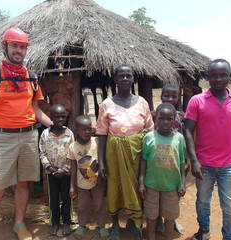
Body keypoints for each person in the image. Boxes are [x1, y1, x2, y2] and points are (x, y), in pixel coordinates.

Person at [0, 27, 52, 240]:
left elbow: (35, 109)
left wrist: (54, 127)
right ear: (4, 46)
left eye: (22, 47)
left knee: (24, 183)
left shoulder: (31, 77)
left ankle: (18, 224)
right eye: (14, 45)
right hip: (1, 139)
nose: (18, 50)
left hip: (28, 137)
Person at [184, 59, 231, 240]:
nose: (218, 79)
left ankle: (229, 237)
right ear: (208, 77)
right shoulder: (197, 101)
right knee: (202, 201)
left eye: (223, 75)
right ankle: (204, 230)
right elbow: (187, 130)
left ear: (229, 76)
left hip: (228, 165)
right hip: (203, 163)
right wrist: (193, 160)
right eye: (214, 76)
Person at [96, 64, 154, 240]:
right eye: (121, 76)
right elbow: (101, 134)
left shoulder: (142, 102)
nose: (125, 79)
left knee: (137, 187)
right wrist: (101, 161)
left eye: (128, 76)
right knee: (114, 187)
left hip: (138, 154)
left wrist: (150, 157)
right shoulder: (106, 104)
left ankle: (134, 223)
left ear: (133, 79)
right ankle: (114, 224)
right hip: (113, 154)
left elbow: (150, 131)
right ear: (115, 79)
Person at [140, 103, 186, 240]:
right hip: (151, 185)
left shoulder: (179, 138)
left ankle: (168, 237)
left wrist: (182, 182)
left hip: (171, 186)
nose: (165, 122)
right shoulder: (149, 137)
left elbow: (182, 162)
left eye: (169, 119)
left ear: (174, 120)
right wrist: (141, 182)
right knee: (151, 215)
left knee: (170, 216)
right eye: (161, 118)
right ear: (155, 119)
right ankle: (151, 236)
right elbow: (143, 161)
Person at [154, 84, 189, 234]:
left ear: (178, 97)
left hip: (175, 160)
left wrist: (187, 160)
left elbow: (186, 138)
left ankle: (172, 220)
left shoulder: (182, 116)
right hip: (159, 160)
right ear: (160, 96)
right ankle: (159, 222)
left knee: (174, 192)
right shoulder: (155, 114)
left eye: (174, 96)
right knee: (158, 191)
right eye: (166, 95)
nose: (170, 99)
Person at [69, 115, 109, 240]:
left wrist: (104, 178)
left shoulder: (97, 142)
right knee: (82, 207)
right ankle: (82, 225)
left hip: (98, 183)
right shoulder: (73, 147)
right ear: (77, 130)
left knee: (99, 205)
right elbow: (74, 167)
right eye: (83, 129)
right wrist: (72, 186)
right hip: (82, 185)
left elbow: (103, 160)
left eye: (89, 129)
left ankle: (102, 227)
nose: (87, 132)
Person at [39, 104, 74, 237]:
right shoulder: (45, 134)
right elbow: (42, 153)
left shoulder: (69, 133)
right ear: (51, 117)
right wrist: (51, 168)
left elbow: (72, 154)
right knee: (53, 199)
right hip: (51, 174)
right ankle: (54, 223)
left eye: (63, 116)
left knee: (66, 199)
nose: (60, 119)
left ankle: (67, 223)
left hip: (65, 174)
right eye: (57, 116)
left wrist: (64, 170)